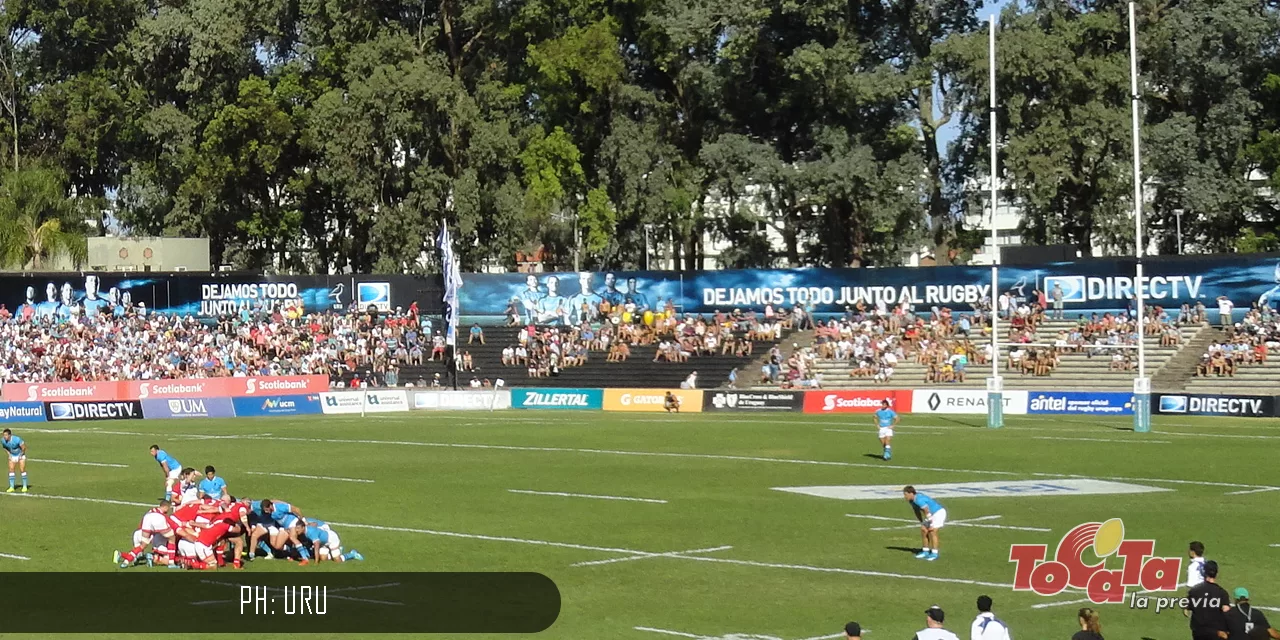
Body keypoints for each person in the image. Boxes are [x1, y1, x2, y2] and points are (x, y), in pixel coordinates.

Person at [1185, 560, 1231, 640]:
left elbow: (1186, 610)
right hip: (1215, 633)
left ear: (1204, 572)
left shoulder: (1195, 591)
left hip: (1198, 632)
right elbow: (1226, 612)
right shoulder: (1222, 593)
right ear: (1216, 574)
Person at [904, 485, 946, 561]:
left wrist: (930, 520)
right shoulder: (912, 501)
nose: (905, 497)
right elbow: (916, 511)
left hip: (938, 513)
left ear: (911, 493)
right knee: (923, 529)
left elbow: (926, 509)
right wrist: (921, 521)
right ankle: (925, 551)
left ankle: (934, 553)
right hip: (931, 515)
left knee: (932, 531)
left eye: (906, 494)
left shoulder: (918, 499)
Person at [2, 428, 28, 493]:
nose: (4, 437)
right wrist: (9, 454)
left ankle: (24, 486)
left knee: (22, 469)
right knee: (11, 469)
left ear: (10, 435)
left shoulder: (17, 439)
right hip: (12, 455)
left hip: (20, 454)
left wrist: (21, 455)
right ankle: (11, 487)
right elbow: (5, 447)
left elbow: (23, 447)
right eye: (4, 435)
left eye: (6, 435)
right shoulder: (2, 440)